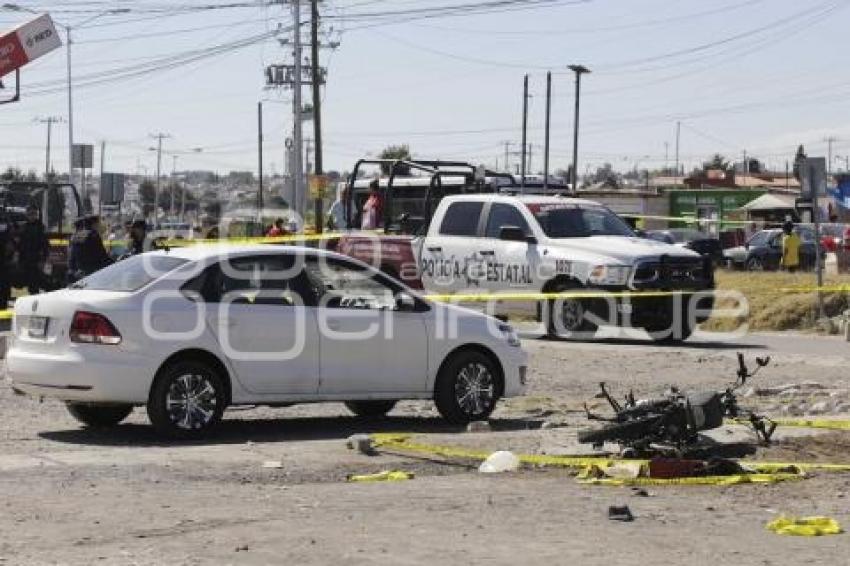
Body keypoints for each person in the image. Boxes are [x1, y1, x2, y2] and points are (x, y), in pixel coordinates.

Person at [68, 214, 112, 283]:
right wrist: (113, 263)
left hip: (79, 272)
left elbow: (72, 256)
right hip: (92, 272)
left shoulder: (76, 235)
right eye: (99, 223)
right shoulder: (94, 235)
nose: (100, 225)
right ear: (94, 224)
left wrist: (72, 269)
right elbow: (101, 255)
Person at [16, 205, 50, 295]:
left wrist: (43, 259)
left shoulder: (40, 227)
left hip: (36, 260)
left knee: (37, 283)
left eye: (34, 214)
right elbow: (18, 244)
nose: (32, 216)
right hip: (25, 260)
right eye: (30, 214)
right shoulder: (23, 227)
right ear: (27, 215)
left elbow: (45, 245)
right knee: (29, 283)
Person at [0, 215, 12, 307]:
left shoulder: (7, 225)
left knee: (4, 282)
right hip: (5, 260)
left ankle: (4, 302)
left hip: (4, 260)